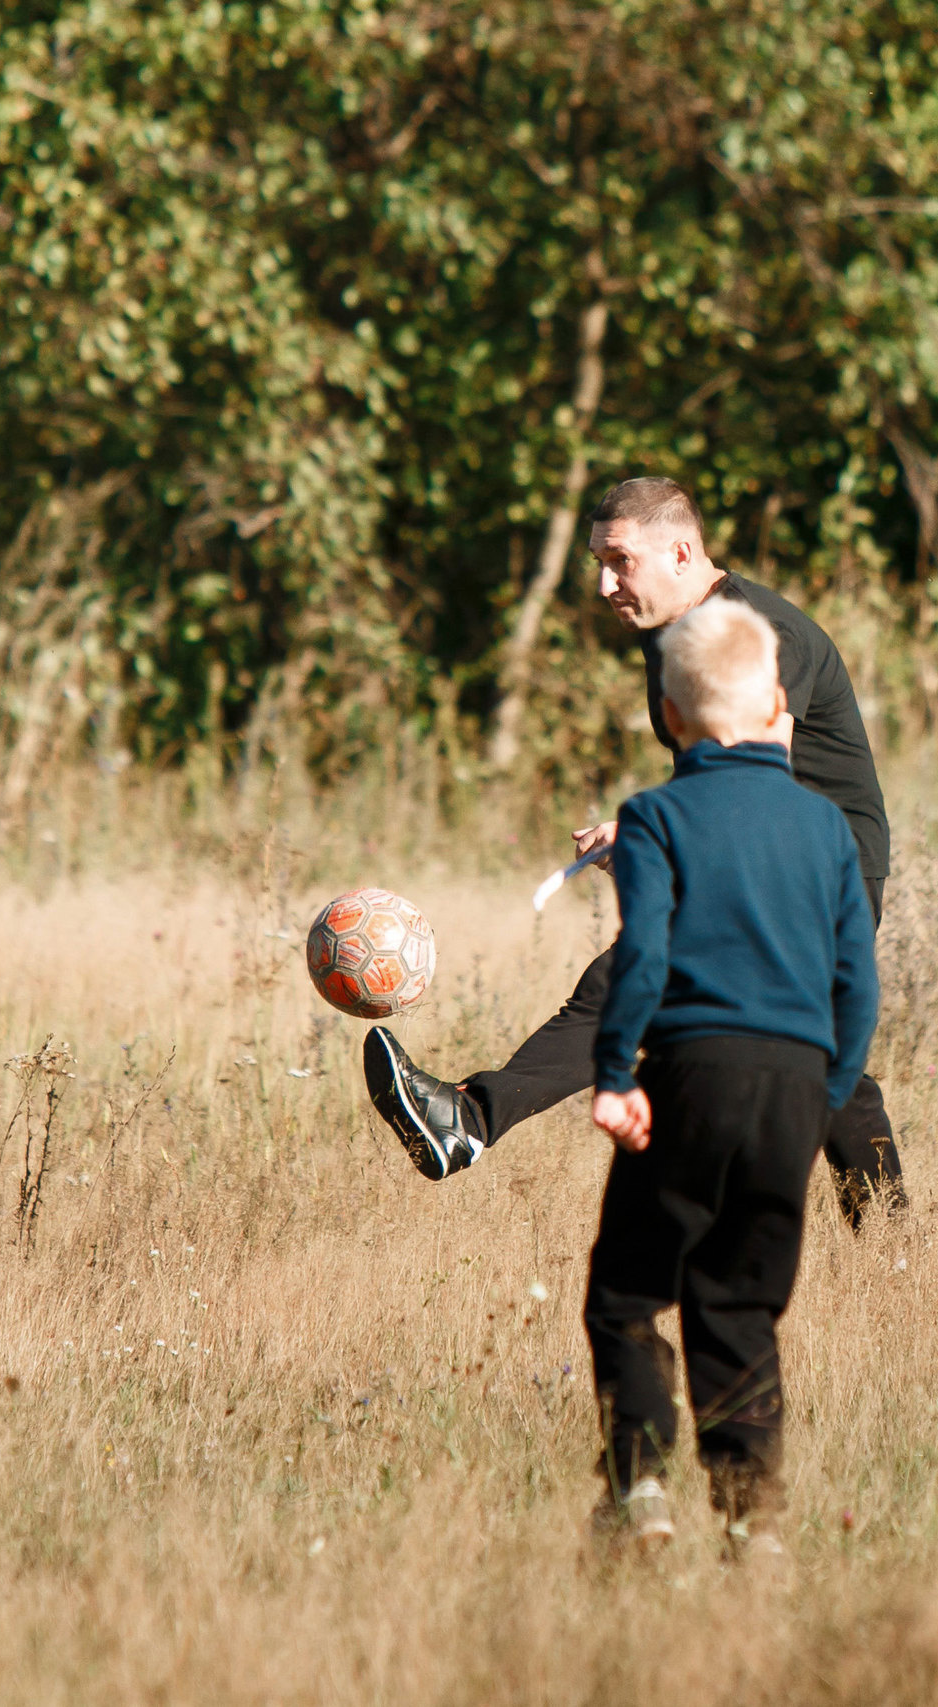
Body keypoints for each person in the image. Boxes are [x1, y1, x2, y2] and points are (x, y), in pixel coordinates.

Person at [362, 475, 906, 1226]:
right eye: (598, 563)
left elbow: (760, 773)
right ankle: (895, 1245)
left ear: (682, 552)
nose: (604, 584)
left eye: (620, 561)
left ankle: (468, 1118)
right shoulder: (674, 634)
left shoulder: (757, 633)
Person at [573, 596, 878, 1558]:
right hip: (795, 1088)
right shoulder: (826, 828)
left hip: (689, 1076)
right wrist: (829, 1093)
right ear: (779, 706)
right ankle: (752, 1521)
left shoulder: (655, 816)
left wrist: (616, 1072)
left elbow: (644, 958)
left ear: (670, 717)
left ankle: (640, 1488)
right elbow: (857, 984)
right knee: (739, 1304)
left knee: (627, 1292)